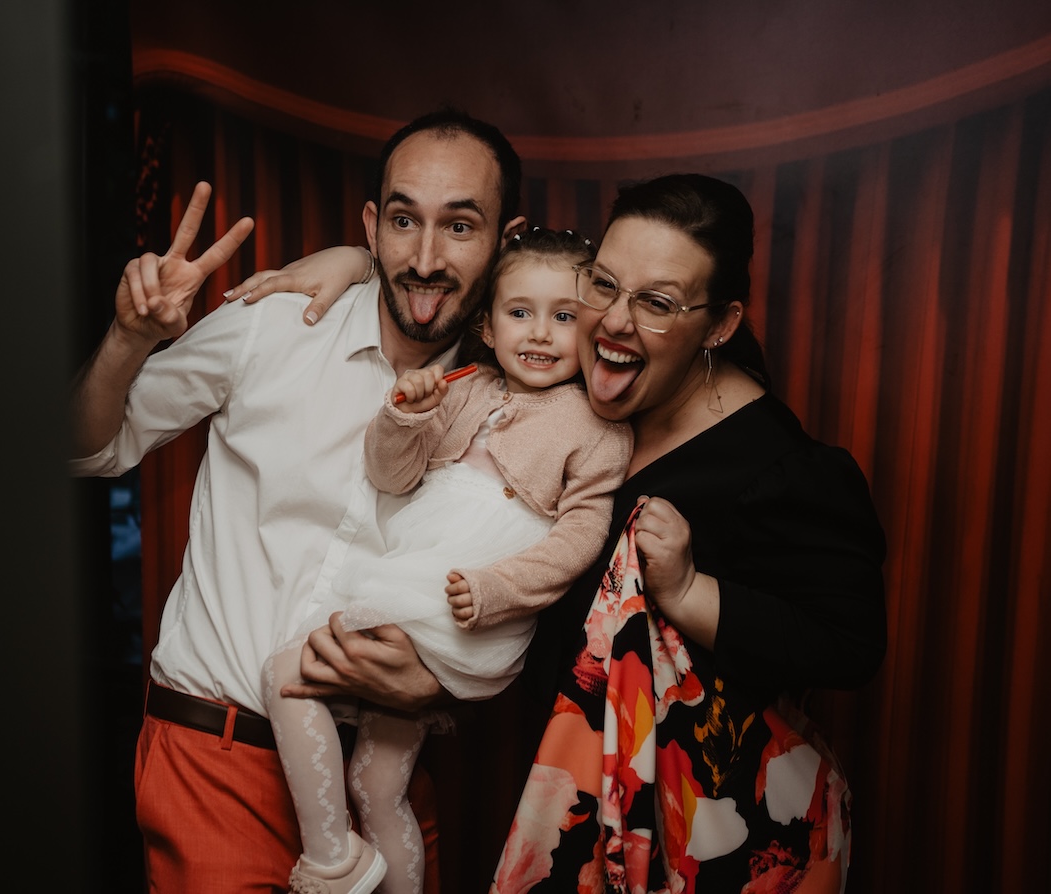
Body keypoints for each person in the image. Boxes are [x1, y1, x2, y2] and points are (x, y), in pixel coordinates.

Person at [234, 173, 887, 893]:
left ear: (722, 324)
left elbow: (850, 644)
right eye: (604, 285)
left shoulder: (777, 467)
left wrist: (690, 591)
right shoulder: (564, 395)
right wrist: (352, 260)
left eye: (658, 304)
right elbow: (487, 266)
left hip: (704, 843)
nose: (613, 320)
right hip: (574, 814)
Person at [69, 107, 527, 892]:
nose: (423, 257)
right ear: (371, 226)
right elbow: (87, 447)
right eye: (403, 221)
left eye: (459, 226)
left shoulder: (516, 397)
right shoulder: (273, 325)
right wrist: (128, 337)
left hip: (381, 778)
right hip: (219, 764)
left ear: (506, 242)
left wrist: (439, 682)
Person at [261, 228, 632, 893]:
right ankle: (376, 869)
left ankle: (330, 859)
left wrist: (496, 589)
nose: (541, 333)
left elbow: (581, 540)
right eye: (521, 313)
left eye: (565, 316)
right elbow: (392, 477)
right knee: (376, 785)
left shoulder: (596, 423)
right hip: (415, 585)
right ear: (487, 325)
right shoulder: (463, 386)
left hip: (458, 603)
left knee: (285, 668)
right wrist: (404, 416)